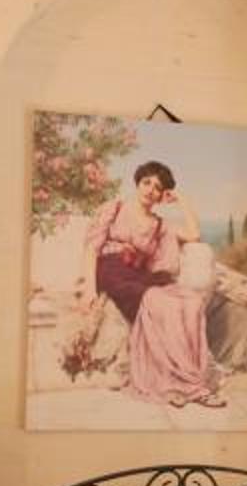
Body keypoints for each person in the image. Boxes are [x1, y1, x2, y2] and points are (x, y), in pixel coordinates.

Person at [78, 161, 223, 407]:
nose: (150, 190)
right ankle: (187, 387)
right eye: (147, 183)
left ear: (162, 195)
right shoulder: (115, 208)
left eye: (158, 188)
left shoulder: (159, 225)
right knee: (160, 301)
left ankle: (182, 380)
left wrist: (181, 200)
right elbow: (91, 249)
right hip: (112, 271)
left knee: (190, 302)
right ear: (138, 183)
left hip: (139, 276)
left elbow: (193, 234)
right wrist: (89, 289)